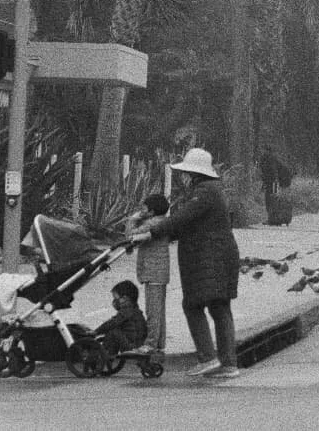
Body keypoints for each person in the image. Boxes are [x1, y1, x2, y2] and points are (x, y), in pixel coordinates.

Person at [135, 148, 240, 378]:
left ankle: (207, 357)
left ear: (193, 173)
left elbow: (182, 219)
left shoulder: (203, 192)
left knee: (193, 306)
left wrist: (152, 232)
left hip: (208, 258)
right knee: (220, 307)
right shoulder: (212, 191)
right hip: (220, 256)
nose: (184, 177)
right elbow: (188, 224)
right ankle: (228, 364)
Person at [125, 194, 171, 356]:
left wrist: (132, 219)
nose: (141, 211)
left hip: (153, 272)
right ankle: (158, 343)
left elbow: (130, 237)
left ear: (152, 211)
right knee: (158, 310)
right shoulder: (160, 221)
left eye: (144, 208)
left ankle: (151, 343)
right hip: (158, 272)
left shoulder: (153, 223)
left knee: (153, 311)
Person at [93, 281, 148, 356]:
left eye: (116, 298)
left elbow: (112, 323)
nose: (114, 302)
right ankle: (109, 354)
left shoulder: (126, 311)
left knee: (113, 331)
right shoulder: (135, 309)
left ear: (125, 298)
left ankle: (103, 354)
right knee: (117, 330)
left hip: (132, 345)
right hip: (139, 343)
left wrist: (96, 332)